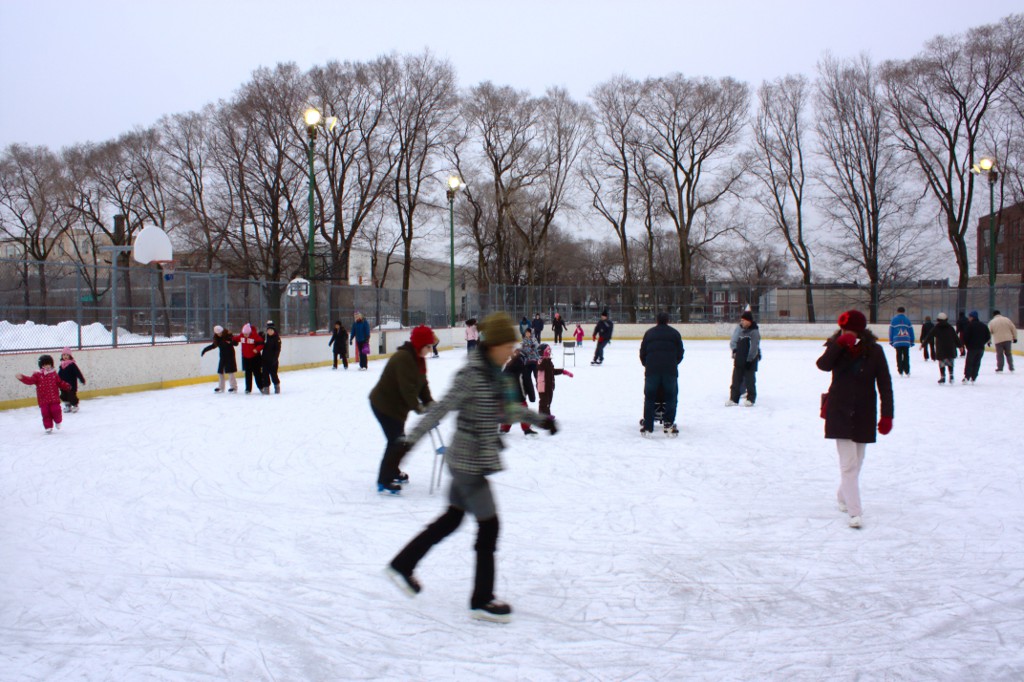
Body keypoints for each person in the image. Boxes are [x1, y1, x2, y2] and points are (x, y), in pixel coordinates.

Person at [384, 312, 557, 623]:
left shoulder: (495, 373)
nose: (512, 350)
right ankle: (482, 600)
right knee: (489, 526)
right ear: (493, 345)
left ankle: (403, 564)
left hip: (473, 460)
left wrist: (540, 420)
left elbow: (507, 408)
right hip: (469, 464)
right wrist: (407, 444)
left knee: (451, 520)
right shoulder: (472, 375)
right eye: (507, 345)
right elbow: (439, 409)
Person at [816, 310, 894, 529]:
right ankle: (855, 512)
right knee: (849, 465)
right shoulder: (836, 347)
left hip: (864, 412)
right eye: (843, 329)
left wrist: (887, 414)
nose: (846, 333)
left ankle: (842, 495)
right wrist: (839, 344)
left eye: (850, 330)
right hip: (839, 412)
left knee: (857, 463)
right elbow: (823, 365)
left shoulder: (875, 351)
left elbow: (885, 384)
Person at [369, 325, 436, 494]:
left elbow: (422, 384)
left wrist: (430, 402)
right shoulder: (404, 358)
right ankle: (384, 479)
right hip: (384, 406)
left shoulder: (418, 360)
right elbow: (407, 389)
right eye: (428, 346)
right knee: (395, 442)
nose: (430, 350)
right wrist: (418, 407)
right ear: (419, 345)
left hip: (397, 408)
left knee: (400, 441)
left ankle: (393, 470)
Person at [639, 311, 685, 437]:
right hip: (669, 370)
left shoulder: (649, 333)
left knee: (649, 397)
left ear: (657, 321)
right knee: (671, 397)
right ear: (668, 320)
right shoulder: (675, 333)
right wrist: (673, 363)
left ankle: (648, 426)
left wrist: (647, 364)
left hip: (652, 370)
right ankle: (668, 424)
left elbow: (642, 352)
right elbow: (680, 353)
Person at [16, 354, 71, 434]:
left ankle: (58, 421)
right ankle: (48, 427)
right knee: (45, 413)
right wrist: (22, 378)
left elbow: (60, 383)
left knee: (56, 410)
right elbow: (30, 380)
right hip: (43, 400)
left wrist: (66, 386)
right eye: (44, 365)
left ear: (51, 364)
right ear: (41, 366)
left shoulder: (54, 374)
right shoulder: (37, 375)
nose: (47, 366)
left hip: (54, 398)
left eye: (48, 364)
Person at [499, 348, 538, 436]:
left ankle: (504, 428)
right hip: (520, 396)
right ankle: (527, 429)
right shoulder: (523, 369)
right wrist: (532, 397)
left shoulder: (508, 366)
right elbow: (528, 383)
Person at [726, 310, 760, 407]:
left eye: (744, 320)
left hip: (749, 361)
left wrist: (750, 360)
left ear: (749, 321)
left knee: (750, 381)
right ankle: (733, 399)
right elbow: (735, 343)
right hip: (739, 360)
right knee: (735, 381)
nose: (742, 322)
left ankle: (751, 399)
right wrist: (735, 351)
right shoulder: (741, 330)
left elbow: (754, 347)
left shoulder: (754, 332)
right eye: (741, 320)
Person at [919, 312, 962, 384]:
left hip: (941, 348)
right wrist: (960, 346)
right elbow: (955, 337)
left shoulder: (936, 328)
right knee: (950, 362)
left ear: (938, 320)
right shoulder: (950, 327)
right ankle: (951, 376)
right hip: (950, 348)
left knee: (942, 363)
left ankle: (943, 377)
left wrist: (923, 344)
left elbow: (929, 336)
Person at [536, 343, 573, 416]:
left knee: (549, 400)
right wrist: (544, 359)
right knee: (544, 401)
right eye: (548, 351)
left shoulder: (548, 361)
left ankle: (547, 414)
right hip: (543, 386)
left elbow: (552, 371)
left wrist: (563, 371)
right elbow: (540, 367)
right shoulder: (540, 361)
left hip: (549, 385)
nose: (549, 353)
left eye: (550, 351)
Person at [201, 325, 238, 393]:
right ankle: (221, 387)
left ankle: (233, 387)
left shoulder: (228, 335)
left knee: (230, 372)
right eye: (217, 333)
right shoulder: (217, 338)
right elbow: (213, 346)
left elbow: (236, 343)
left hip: (230, 356)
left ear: (222, 331)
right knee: (220, 372)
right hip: (223, 356)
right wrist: (205, 350)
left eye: (220, 333)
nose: (219, 334)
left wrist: (231, 342)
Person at [961, 311, 991, 384]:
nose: (968, 318)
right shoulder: (983, 326)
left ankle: (967, 377)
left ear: (972, 317)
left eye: (969, 317)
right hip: (980, 347)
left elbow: (965, 336)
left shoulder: (969, 326)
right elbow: (988, 337)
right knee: (977, 362)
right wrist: (982, 342)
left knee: (969, 362)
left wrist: (965, 344)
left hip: (972, 347)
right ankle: (974, 377)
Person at [234, 323, 264, 394]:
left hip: (255, 358)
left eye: (247, 334)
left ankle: (261, 387)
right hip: (246, 358)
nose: (245, 335)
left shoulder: (255, 336)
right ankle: (248, 388)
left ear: (250, 332)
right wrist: (229, 338)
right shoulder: (242, 336)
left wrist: (257, 349)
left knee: (257, 373)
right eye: (244, 334)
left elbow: (261, 344)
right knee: (248, 374)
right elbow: (235, 338)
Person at [58, 347, 86, 413]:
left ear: (70, 356)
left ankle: (75, 405)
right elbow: (59, 375)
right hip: (63, 385)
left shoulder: (72, 364)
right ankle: (68, 405)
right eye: (64, 355)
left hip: (71, 385)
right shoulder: (61, 365)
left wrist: (82, 379)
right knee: (63, 395)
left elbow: (78, 373)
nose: (65, 356)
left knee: (71, 395)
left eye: (67, 355)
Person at [888, 306, 915, 377]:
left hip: (897, 341)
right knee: (906, 356)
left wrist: (891, 341)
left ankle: (900, 370)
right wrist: (912, 341)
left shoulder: (893, 320)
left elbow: (891, 331)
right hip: (906, 341)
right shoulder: (907, 320)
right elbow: (911, 331)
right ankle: (907, 370)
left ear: (897, 311)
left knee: (898, 355)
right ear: (904, 312)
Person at [261, 321, 282, 394]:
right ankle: (266, 388)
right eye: (268, 330)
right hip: (265, 359)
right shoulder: (265, 337)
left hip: (273, 360)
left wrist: (275, 359)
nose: (269, 332)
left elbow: (277, 350)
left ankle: (277, 386)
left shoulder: (277, 338)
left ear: (273, 330)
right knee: (265, 374)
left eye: (271, 330)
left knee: (273, 374)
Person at [519, 327, 540, 398]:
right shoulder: (523, 341)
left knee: (536, 374)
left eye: (529, 332)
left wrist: (534, 347)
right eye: (526, 332)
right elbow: (523, 350)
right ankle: (528, 389)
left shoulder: (533, 339)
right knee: (527, 376)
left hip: (534, 360)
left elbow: (538, 348)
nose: (527, 334)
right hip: (527, 361)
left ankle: (539, 385)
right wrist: (530, 348)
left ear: (531, 333)